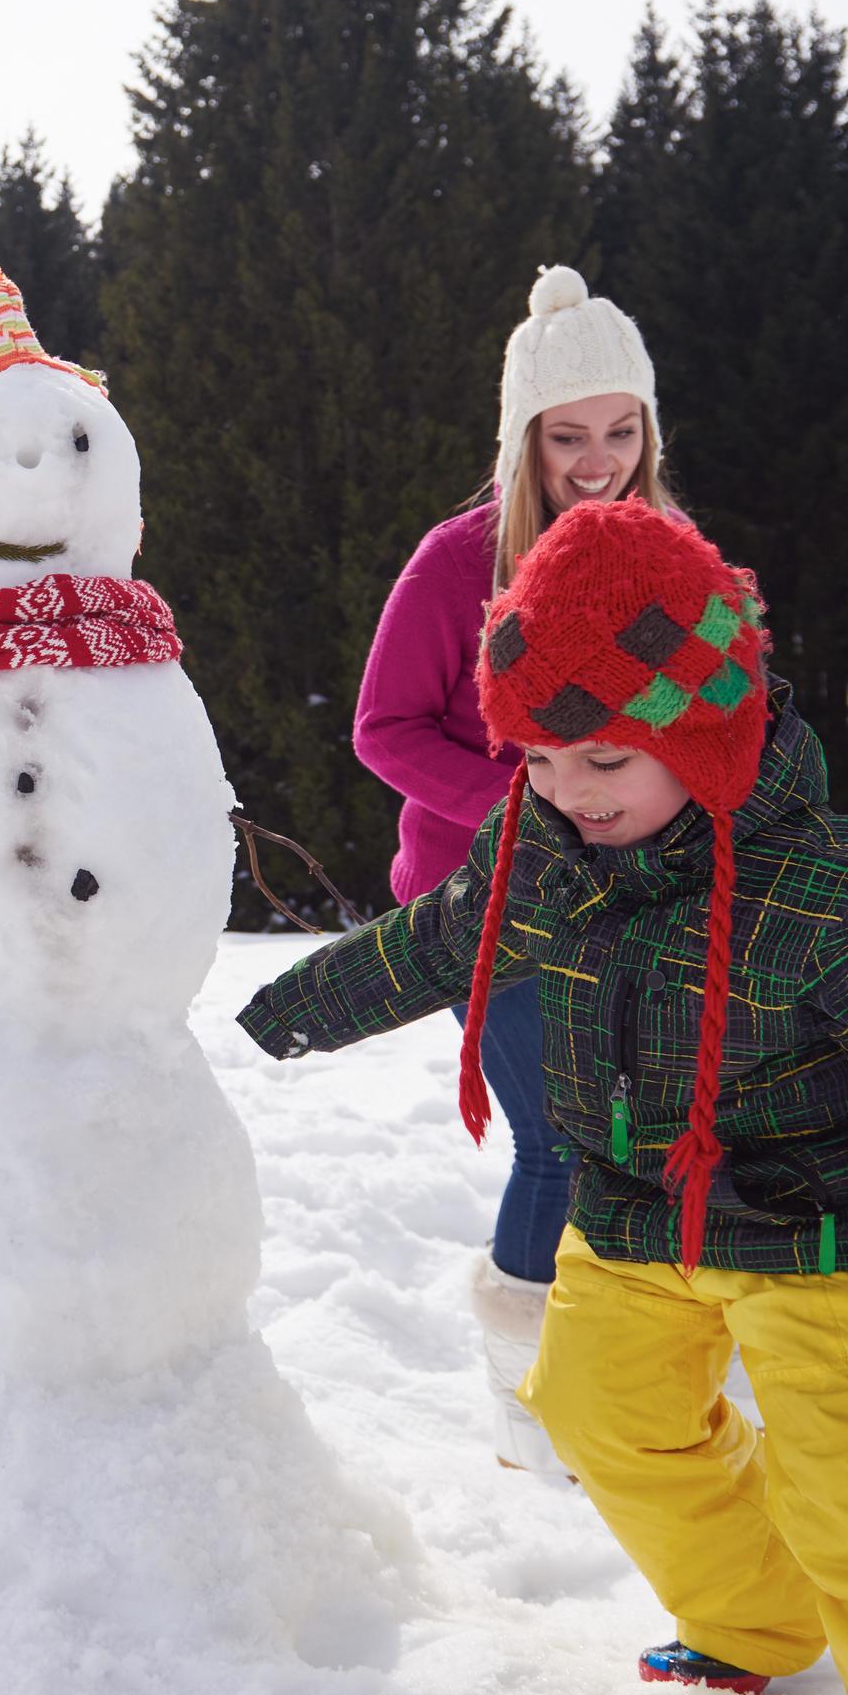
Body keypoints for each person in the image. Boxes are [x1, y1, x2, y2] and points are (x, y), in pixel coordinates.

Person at [242, 501, 848, 1695]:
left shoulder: (846, 897)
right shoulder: (547, 850)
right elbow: (443, 935)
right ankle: (756, 1614)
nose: (564, 791)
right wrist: (273, 1014)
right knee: (595, 1410)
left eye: (603, 758)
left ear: (707, 730)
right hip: (635, 1216)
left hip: (826, 1235)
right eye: (534, 757)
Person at [350, 263, 677, 1472]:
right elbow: (382, 729)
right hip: (490, 903)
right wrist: (541, 802)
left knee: (654, 1134)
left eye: (620, 430)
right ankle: (528, 1397)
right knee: (565, 1142)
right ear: (523, 438)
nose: (597, 460)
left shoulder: (667, 553)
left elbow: (707, 722)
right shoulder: (460, 559)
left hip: (640, 899)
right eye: (567, 436)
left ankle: (638, 1370)